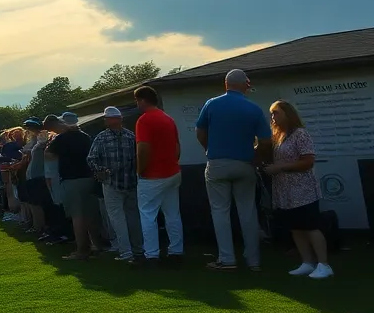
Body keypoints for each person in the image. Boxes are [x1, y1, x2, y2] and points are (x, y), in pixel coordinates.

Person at [196, 69, 272, 271]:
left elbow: (200, 132)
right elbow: (266, 141)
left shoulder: (212, 104)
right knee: (248, 211)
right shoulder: (254, 108)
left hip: (217, 163)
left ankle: (227, 259)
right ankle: (253, 261)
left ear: (226, 84)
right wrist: (256, 157)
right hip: (245, 164)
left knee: (220, 211)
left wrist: (209, 149)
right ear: (246, 85)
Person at [264, 101, 332, 279]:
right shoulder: (278, 136)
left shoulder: (300, 134)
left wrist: (280, 167)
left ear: (288, 114)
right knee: (295, 228)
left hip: (303, 191)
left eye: (276, 113)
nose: (273, 117)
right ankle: (307, 262)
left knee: (310, 227)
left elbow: (308, 161)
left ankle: (324, 264)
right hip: (285, 193)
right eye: (271, 114)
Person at [133, 86, 183, 266]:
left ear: (142, 100)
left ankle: (151, 255)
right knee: (172, 214)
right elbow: (177, 148)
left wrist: (140, 170)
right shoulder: (168, 119)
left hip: (153, 175)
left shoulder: (144, 121)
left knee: (147, 214)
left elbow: (143, 148)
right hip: (173, 171)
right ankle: (176, 251)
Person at [45, 114, 104, 261]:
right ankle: (97, 246)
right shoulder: (85, 136)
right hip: (89, 177)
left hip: (71, 179)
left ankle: (82, 250)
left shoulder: (61, 139)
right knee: (91, 215)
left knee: (77, 216)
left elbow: (49, 155)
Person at [88, 107, 143, 263]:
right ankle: (138, 249)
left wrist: (101, 171)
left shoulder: (101, 137)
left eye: (107, 118)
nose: (105, 120)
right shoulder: (131, 136)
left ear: (111, 120)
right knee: (133, 217)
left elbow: (91, 159)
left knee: (117, 218)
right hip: (131, 182)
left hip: (111, 183)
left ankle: (125, 252)